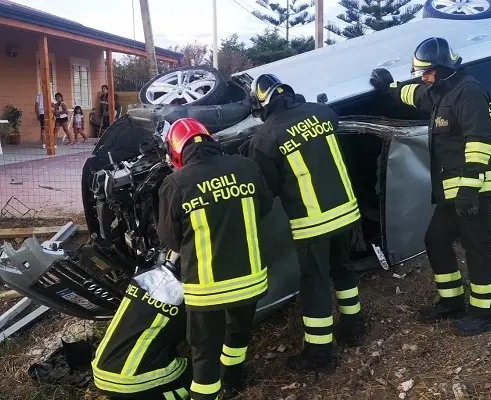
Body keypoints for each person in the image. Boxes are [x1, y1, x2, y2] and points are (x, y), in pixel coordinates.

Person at [369, 36, 491, 336]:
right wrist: (390, 88)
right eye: (421, 72)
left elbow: (479, 140)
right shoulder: (442, 92)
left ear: (443, 67)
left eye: (428, 71)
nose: (423, 77)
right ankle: (452, 301)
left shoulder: (470, 92)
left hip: (473, 189)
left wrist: (469, 188)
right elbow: (415, 95)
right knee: (436, 240)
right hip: (452, 190)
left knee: (477, 248)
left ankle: (483, 313)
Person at [247, 73, 366, 372]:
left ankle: (319, 353)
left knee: (315, 283)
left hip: (312, 222)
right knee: (343, 269)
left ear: (262, 105)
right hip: (346, 211)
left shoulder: (265, 137)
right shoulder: (322, 112)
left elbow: (268, 187)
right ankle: (354, 327)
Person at [157, 118, 273, 400]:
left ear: (176, 153)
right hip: (250, 282)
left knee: (204, 353)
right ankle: (232, 380)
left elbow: (171, 240)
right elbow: (265, 207)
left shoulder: (175, 183)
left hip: (206, 291)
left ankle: (207, 394)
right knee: (238, 334)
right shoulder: (246, 167)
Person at [91, 261, 191, 400]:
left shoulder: (141, 278)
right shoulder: (187, 295)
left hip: (101, 373)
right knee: (198, 377)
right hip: (135, 380)